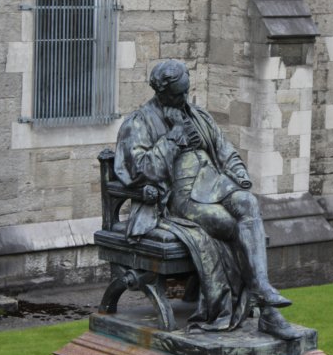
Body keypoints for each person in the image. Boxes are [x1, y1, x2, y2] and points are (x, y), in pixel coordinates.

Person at [113, 60, 300, 339]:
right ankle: (268, 313)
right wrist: (172, 139)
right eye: (177, 94)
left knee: (249, 203)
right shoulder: (138, 123)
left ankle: (262, 287)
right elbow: (141, 170)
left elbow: (224, 149)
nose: (183, 99)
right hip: (178, 200)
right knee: (230, 226)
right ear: (161, 92)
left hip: (215, 184)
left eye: (186, 92)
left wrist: (239, 174)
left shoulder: (198, 115)